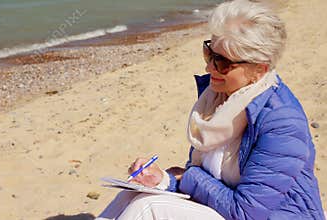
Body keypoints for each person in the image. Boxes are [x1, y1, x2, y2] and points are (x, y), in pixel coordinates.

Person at [96, 0, 325, 219]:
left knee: (149, 208)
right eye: (209, 53)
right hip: (231, 211)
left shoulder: (282, 123)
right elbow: (208, 183)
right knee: (133, 193)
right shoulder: (215, 101)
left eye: (223, 63)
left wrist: (187, 176)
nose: (209, 67)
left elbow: (246, 211)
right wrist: (162, 180)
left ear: (259, 69)